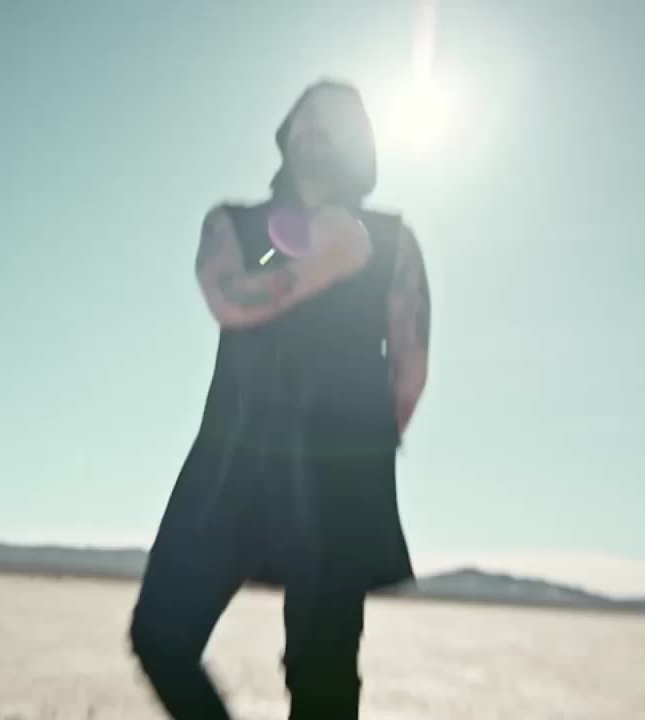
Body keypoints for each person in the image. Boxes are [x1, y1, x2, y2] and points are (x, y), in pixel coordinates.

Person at [129, 79, 432, 720]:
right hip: (230, 462)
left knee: (321, 678)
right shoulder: (234, 225)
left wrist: (364, 452)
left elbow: (409, 370)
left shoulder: (393, 242)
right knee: (160, 635)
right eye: (306, 114)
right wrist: (324, 263)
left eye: (336, 118)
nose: (317, 125)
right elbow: (227, 300)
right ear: (286, 133)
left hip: (340, 474)